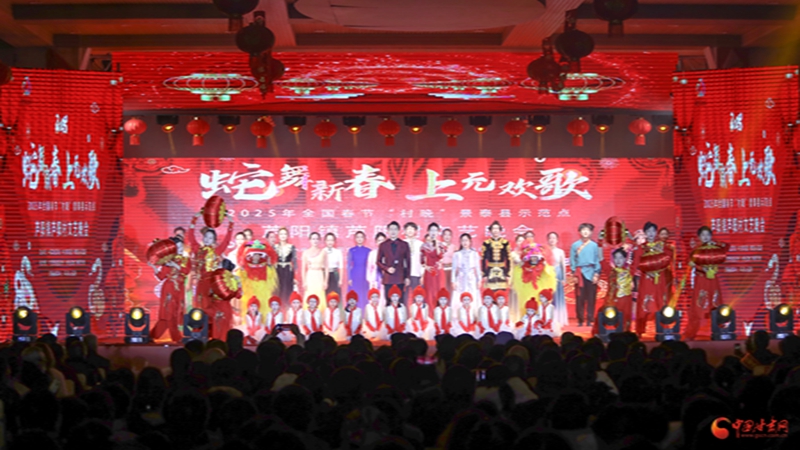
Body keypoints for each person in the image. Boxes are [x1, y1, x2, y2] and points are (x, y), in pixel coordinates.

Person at [187, 210, 234, 337]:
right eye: (206, 237)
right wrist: (195, 219)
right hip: (200, 283)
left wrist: (230, 223)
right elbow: (190, 236)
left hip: (211, 284)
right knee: (199, 307)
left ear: (214, 240)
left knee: (210, 308)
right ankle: (200, 333)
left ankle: (214, 332)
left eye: (210, 238)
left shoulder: (216, 251)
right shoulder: (197, 249)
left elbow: (226, 241)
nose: (207, 239)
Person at [685, 226, 729, 340]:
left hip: (713, 279)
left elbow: (726, 246)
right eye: (703, 235)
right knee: (698, 306)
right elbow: (689, 261)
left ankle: (720, 331)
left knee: (716, 303)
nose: (705, 237)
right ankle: (691, 333)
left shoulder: (715, 247)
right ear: (699, 237)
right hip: (701, 279)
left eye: (708, 235)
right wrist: (701, 267)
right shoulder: (696, 249)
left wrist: (715, 242)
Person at [633, 222, 672, 335]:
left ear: (656, 233)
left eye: (653, 231)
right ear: (645, 233)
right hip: (646, 279)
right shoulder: (641, 248)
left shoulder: (662, 246)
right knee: (645, 303)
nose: (651, 233)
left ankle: (663, 327)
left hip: (660, 279)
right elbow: (636, 264)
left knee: (661, 302)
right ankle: (640, 330)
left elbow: (668, 257)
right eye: (648, 231)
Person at [150, 236, 190, 342]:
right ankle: (176, 338)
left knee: (174, 313)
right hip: (169, 289)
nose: (179, 249)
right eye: (177, 247)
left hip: (179, 290)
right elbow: (161, 276)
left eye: (181, 246)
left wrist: (175, 265)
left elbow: (186, 271)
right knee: (169, 313)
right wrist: (154, 267)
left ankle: (152, 335)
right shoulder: (168, 260)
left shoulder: (186, 260)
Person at [570, 223, 601, 327]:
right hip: (580, 273)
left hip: (591, 272)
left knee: (591, 297)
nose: (585, 232)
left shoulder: (594, 245)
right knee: (580, 298)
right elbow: (572, 260)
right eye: (583, 230)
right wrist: (574, 273)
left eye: (587, 230)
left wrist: (596, 273)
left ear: (591, 232)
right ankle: (580, 319)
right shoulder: (575, 245)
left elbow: (597, 260)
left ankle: (590, 318)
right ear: (579, 232)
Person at [239, 240, 279, 320]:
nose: (256, 257)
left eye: (258, 255)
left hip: (263, 289)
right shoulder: (247, 266)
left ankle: (263, 322)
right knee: (250, 306)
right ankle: (250, 323)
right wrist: (242, 270)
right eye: (254, 255)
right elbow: (243, 278)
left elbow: (270, 276)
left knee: (263, 305)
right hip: (251, 289)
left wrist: (269, 266)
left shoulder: (264, 265)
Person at [377, 222, 411, 306]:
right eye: (391, 229)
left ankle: (401, 315)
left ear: (399, 231)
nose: (393, 231)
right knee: (388, 301)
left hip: (400, 277)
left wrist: (407, 277)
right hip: (388, 278)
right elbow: (378, 261)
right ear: (388, 231)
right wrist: (387, 268)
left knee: (401, 301)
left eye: (395, 229)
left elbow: (408, 262)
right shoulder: (383, 245)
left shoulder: (404, 244)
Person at [452, 233, 481, 315]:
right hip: (460, 278)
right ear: (460, 242)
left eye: (466, 240)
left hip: (471, 278)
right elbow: (454, 269)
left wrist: (479, 279)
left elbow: (477, 268)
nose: (465, 242)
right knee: (460, 295)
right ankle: (459, 315)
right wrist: (453, 281)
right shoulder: (457, 254)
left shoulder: (474, 254)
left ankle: (473, 315)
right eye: (463, 241)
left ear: (470, 241)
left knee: (472, 295)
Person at [607, 248, 634, 332]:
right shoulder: (610, 271)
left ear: (625, 259)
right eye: (616, 257)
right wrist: (600, 243)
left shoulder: (630, 271)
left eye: (621, 257)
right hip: (614, 300)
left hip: (626, 299)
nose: (618, 260)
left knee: (625, 320)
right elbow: (601, 260)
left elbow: (637, 257)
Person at [421, 223, 446, 309]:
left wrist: (436, 243)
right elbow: (421, 261)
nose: (433, 232)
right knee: (429, 293)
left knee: (439, 292)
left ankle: (440, 312)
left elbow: (440, 256)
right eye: (431, 230)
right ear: (428, 232)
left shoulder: (442, 245)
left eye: (435, 230)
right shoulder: (424, 246)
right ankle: (430, 314)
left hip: (439, 272)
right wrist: (426, 267)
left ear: (438, 232)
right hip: (429, 272)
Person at [482, 221, 511, 292]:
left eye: (497, 228)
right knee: (490, 292)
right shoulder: (486, 243)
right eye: (493, 229)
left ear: (500, 230)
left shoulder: (505, 243)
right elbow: (483, 259)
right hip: (490, 270)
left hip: (502, 270)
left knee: (501, 293)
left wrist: (508, 273)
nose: (495, 230)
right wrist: (484, 274)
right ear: (490, 230)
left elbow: (508, 259)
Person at [548, 231, 569, 329]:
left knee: (558, 296)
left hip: (558, 274)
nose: (552, 240)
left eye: (554, 238)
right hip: (548, 275)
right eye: (550, 238)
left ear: (557, 240)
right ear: (548, 240)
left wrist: (564, 278)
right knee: (549, 296)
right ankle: (549, 318)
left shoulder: (560, 252)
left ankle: (558, 319)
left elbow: (563, 266)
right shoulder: (545, 251)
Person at [302, 232, 328, 310]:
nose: (315, 241)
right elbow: (303, 269)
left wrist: (326, 281)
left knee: (320, 294)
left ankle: (320, 313)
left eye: (317, 239)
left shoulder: (323, 252)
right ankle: (308, 314)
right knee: (309, 293)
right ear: (309, 240)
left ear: (319, 240)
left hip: (319, 275)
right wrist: (304, 282)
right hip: (310, 275)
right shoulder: (305, 253)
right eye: (313, 239)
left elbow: (326, 267)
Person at [347, 231, 371, 310]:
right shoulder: (351, 250)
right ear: (355, 239)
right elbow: (348, 265)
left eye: (361, 237)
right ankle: (353, 311)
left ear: (364, 239)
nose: (359, 239)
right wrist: (349, 278)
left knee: (364, 292)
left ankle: (364, 312)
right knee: (355, 292)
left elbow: (371, 265)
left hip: (365, 274)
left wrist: (370, 277)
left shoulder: (368, 250)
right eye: (358, 237)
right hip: (355, 273)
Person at [276, 228, 297, 304]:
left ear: (288, 235)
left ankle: (287, 306)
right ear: (278, 236)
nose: (283, 236)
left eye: (285, 234)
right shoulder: (275, 247)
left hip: (288, 270)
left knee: (287, 289)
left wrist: (295, 277)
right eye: (281, 234)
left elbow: (295, 262)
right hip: (278, 269)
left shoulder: (291, 247)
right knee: (279, 289)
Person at [366, 232, 387, 309]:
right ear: (376, 242)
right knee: (374, 296)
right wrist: (370, 280)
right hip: (374, 278)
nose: (381, 242)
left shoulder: (388, 253)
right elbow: (369, 268)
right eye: (379, 240)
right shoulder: (372, 253)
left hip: (385, 278)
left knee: (384, 297)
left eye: (383, 240)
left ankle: (382, 313)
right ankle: (373, 313)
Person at [509, 234, 526, 323]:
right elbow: (515, 265)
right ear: (516, 242)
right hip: (515, 278)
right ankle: (514, 319)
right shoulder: (513, 254)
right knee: (515, 299)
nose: (521, 243)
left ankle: (524, 318)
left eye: (523, 241)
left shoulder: (528, 254)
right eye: (519, 241)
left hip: (525, 279)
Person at [404, 222, 424, 296]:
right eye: (408, 229)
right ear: (405, 231)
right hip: (404, 274)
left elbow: (423, 260)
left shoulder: (420, 244)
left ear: (415, 231)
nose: (410, 231)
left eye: (412, 229)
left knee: (417, 295)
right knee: (404, 295)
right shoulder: (401, 243)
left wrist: (422, 274)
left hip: (416, 273)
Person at [325, 233, 344, 299]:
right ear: (325, 241)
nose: (330, 242)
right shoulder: (322, 251)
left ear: (334, 241)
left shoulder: (338, 252)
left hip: (335, 274)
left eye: (331, 240)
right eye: (328, 240)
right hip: (325, 275)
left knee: (335, 294)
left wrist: (340, 279)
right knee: (326, 294)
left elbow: (341, 267)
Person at [440, 228, 457, 294]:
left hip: (451, 269)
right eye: (445, 234)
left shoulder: (454, 247)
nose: (447, 236)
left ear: (451, 236)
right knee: (442, 287)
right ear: (442, 236)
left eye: (449, 235)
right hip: (441, 269)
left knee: (450, 288)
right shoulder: (439, 246)